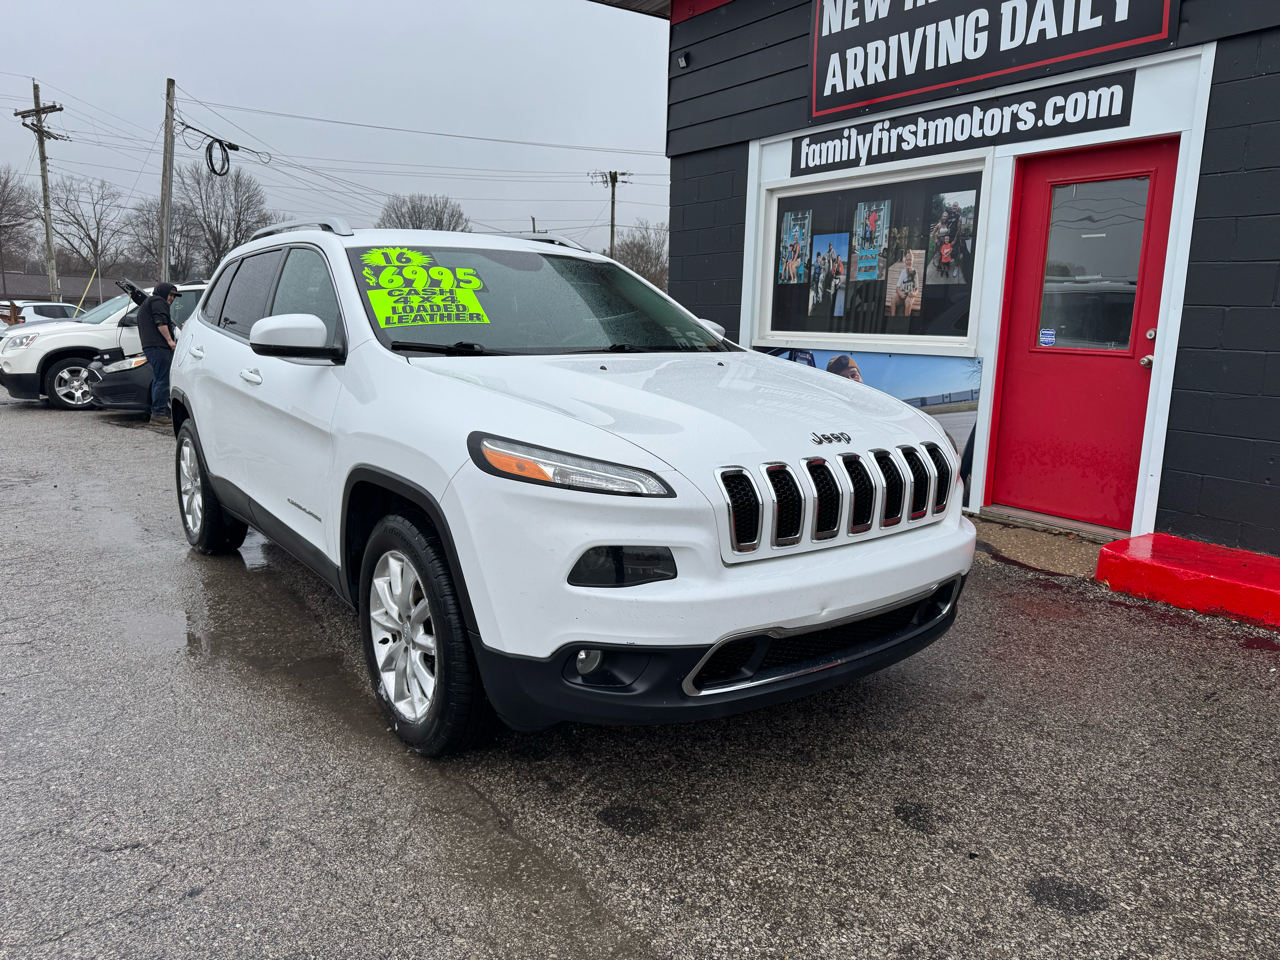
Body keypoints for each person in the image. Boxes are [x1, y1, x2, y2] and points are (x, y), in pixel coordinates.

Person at [138, 282, 179, 430]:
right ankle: (159, 415)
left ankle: (160, 412)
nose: (172, 298)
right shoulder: (158, 301)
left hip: (151, 346)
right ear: (163, 292)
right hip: (158, 346)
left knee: (158, 379)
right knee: (163, 380)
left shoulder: (148, 303)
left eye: (174, 296)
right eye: (170, 294)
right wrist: (169, 341)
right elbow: (160, 321)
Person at [891, 250, 918, 316]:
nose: (908, 262)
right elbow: (897, 288)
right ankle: (892, 318)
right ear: (905, 261)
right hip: (902, 294)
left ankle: (905, 320)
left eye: (910, 260)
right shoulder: (902, 272)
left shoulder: (915, 273)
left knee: (908, 303)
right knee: (893, 299)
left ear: (913, 261)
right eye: (907, 260)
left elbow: (917, 289)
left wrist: (913, 294)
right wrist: (900, 294)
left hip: (909, 295)